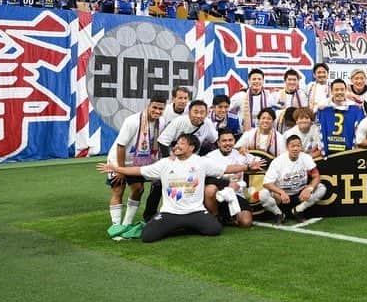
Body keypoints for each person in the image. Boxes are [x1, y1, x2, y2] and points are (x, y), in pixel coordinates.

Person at [98, 133, 256, 242]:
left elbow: (226, 169)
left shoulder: (201, 162)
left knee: (214, 229)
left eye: (182, 144)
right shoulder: (165, 163)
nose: (177, 146)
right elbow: (139, 170)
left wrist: (248, 166)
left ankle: (182, 226)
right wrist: (116, 168)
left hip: (195, 211)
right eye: (177, 143)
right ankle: (178, 226)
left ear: (191, 147)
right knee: (147, 236)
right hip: (170, 213)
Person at [103, 94, 166, 239]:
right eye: (154, 107)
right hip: (118, 159)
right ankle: (115, 226)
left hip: (138, 163)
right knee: (118, 190)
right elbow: (120, 146)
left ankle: (126, 224)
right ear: (148, 106)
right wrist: (120, 169)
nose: (157, 111)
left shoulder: (161, 122)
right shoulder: (132, 121)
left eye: (160, 109)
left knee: (138, 189)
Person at [258, 135, 327, 225]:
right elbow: (267, 183)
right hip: (281, 196)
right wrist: (281, 192)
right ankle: (278, 214)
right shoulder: (278, 161)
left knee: (322, 188)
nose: (295, 148)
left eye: (298, 146)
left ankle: (298, 210)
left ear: (301, 147)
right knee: (263, 194)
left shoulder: (306, 158)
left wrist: (309, 189)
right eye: (292, 146)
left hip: (300, 193)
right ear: (287, 147)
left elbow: (316, 176)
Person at [203, 128, 260, 228]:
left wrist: (251, 156)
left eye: (230, 140)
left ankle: (227, 217)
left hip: (237, 194)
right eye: (224, 141)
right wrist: (226, 184)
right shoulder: (210, 157)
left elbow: (263, 161)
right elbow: (205, 178)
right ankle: (215, 216)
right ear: (218, 143)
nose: (227, 143)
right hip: (218, 196)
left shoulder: (241, 154)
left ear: (234, 141)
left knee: (246, 222)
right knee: (209, 189)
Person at [316, 79, 366, 154]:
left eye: (342, 89)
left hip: (348, 151)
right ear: (331, 91)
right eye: (336, 90)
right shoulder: (323, 107)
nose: (339, 92)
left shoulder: (355, 108)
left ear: (346, 91)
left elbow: (361, 129)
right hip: (329, 151)